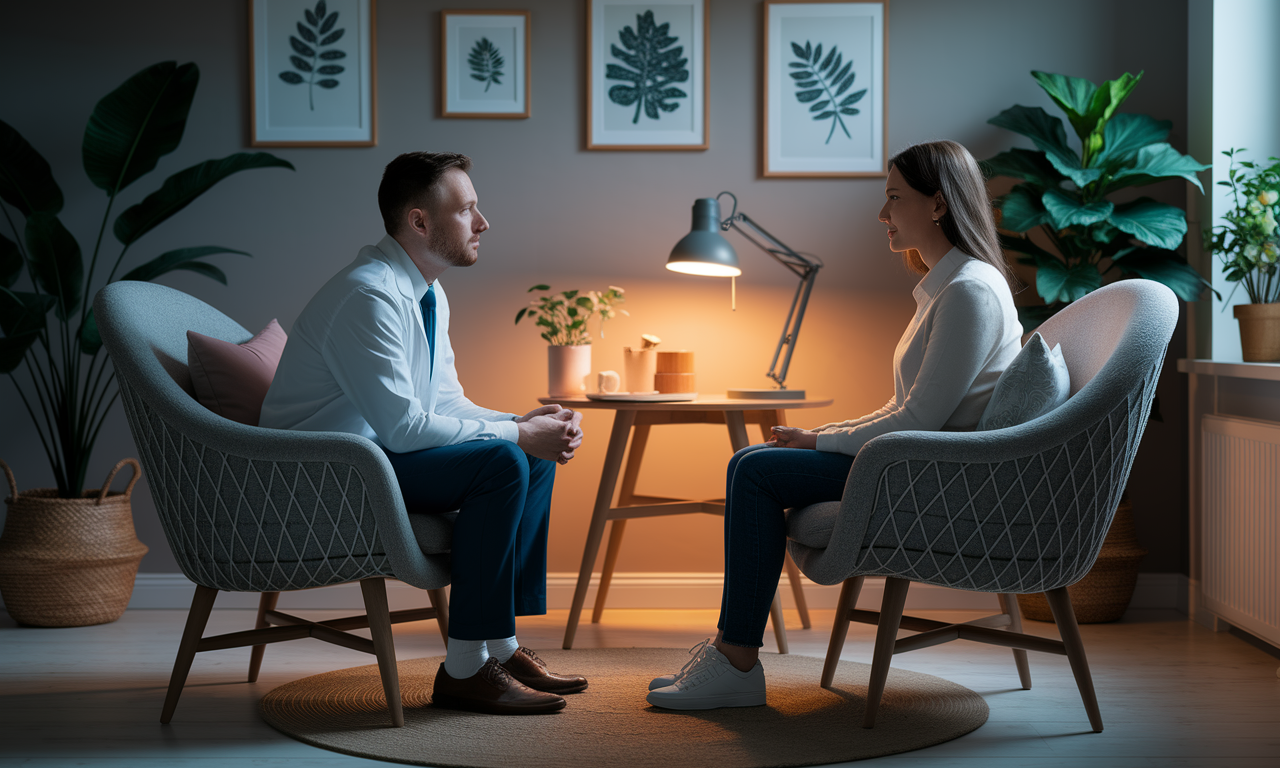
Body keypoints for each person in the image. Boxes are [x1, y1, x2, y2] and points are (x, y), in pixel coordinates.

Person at [646, 140, 1024, 710]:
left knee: (753, 473)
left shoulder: (969, 292)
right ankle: (733, 652)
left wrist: (823, 439)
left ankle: (737, 661)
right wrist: (820, 434)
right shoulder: (948, 288)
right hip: (913, 456)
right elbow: (907, 406)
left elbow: (919, 419)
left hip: (932, 474)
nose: (882, 214)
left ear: (939, 205)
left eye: (894, 198)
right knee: (754, 463)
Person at [261, 152, 588, 715]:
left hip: (374, 456)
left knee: (527, 456)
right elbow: (407, 428)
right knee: (505, 460)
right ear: (419, 222)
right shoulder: (369, 296)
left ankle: (500, 648)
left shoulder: (426, 293)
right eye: (467, 210)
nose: (483, 223)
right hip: (321, 472)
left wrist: (525, 426)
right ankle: (464, 668)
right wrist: (515, 436)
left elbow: (444, 403)